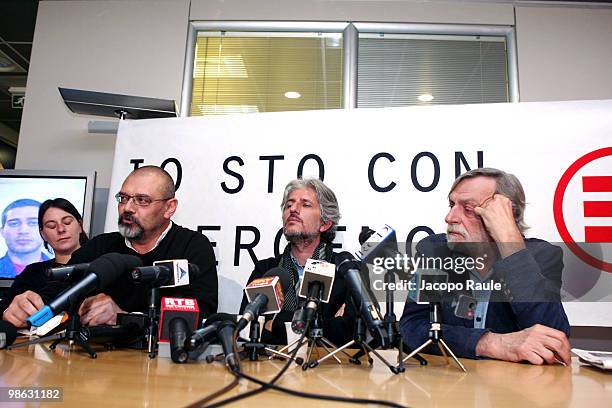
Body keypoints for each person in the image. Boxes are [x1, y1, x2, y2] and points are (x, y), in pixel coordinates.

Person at [3, 166, 218, 328]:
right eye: (123, 198)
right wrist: (28, 306)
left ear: (169, 208)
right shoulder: (101, 247)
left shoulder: (193, 247)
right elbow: (60, 291)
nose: (127, 208)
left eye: (142, 200)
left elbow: (200, 313)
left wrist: (124, 317)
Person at [399, 167, 571, 365]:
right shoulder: (435, 252)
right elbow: (412, 328)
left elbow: (553, 343)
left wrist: (509, 241)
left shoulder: (542, 256)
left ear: (506, 215)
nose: (450, 218)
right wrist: (489, 343)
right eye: (451, 205)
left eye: (469, 209)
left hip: (517, 389)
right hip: (452, 385)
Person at [239, 178, 354, 345]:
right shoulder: (265, 269)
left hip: (327, 368)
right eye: (289, 204)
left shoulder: (344, 270)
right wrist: (323, 324)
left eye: (305, 204)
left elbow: (350, 333)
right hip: (268, 369)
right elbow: (248, 329)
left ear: (325, 223)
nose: (293, 209)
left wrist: (276, 323)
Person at [1, 198, 88, 326]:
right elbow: (4, 308)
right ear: (43, 234)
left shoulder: (101, 266)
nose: (61, 229)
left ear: (80, 226)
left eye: (67, 222)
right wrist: (9, 313)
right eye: (51, 225)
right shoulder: (32, 272)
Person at [0, 199, 50, 278]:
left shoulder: (62, 271)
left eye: (33, 223)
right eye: (14, 223)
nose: (23, 231)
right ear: (2, 231)